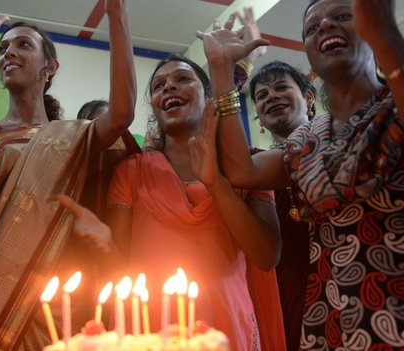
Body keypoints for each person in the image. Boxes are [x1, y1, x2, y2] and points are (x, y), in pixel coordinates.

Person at [196, 0, 404, 349]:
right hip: (334, 310)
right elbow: (242, 171)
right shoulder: (307, 138)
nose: (325, 27)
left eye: (341, 17)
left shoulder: (391, 106)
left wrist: (384, 32)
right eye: (312, 27)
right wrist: (221, 69)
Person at [0, 0, 136, 348]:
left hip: (57, 295)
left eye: (23, 44)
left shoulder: (76, 135)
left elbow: (120, 116)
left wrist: (117, 18)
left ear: (50, 66)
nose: (8, 52)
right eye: (3, 48)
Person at [61, 49, 282, 351]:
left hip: (226, 327)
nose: (169, 87)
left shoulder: (248, 170)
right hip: (148, 332)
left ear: (208, 98)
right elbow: (119, 271)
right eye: (159, 85)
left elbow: (266, 256)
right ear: (153, 107)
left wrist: (216, 183)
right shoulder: (132, 171)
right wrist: (102, 241)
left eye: (182, 79)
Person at [248, 61, 316, 351]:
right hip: (279, 288)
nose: (271, 97)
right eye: (261, 96)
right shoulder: (250, 170)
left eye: (281, 87)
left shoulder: (340, 146)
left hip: (338, 275)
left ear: (309, 98)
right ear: (259, 118)